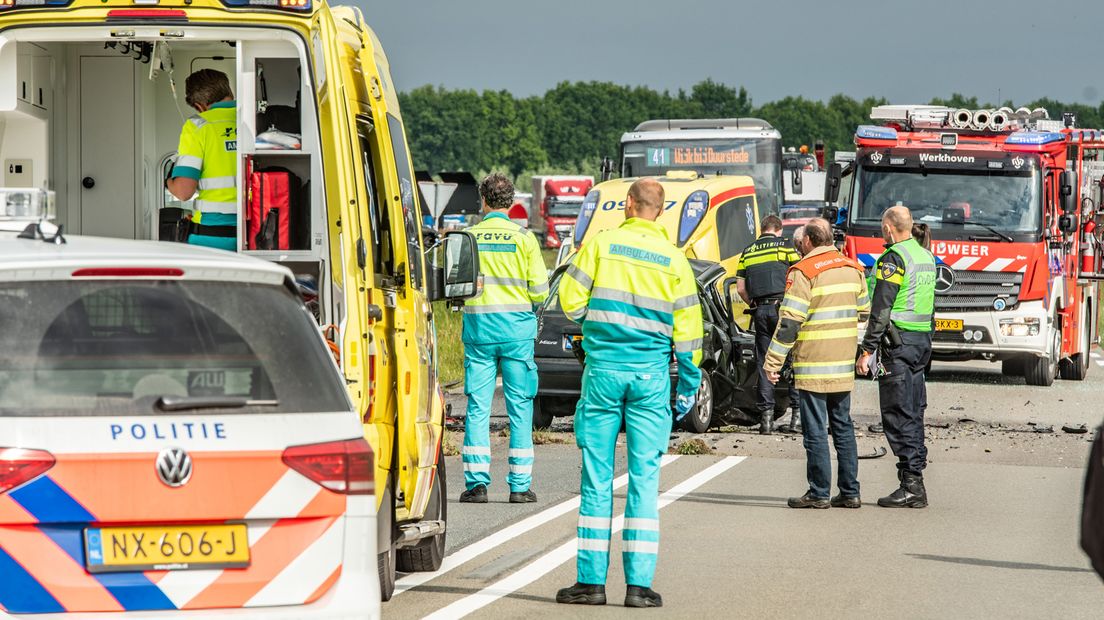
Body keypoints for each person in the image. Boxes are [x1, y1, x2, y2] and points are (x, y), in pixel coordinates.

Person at [556, 178, 702, 608]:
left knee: (598, 479)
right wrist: (688, 388)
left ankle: (590, 583)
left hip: (603, 373)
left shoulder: (601, 245)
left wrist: (596, 326)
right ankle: (638, 587)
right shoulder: (676, 261)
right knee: (644, 481)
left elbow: (569, 300)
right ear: (660, 211)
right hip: (651, 378)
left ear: (628, 205)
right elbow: (690, 336)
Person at [764, 219, 869, 509]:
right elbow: (864, 314)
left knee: (815, 430)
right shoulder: (853, 269)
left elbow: (789, 323)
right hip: (842, 364)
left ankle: (819, 492)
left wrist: (772, 362)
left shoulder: (804, 272)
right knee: (843, 427)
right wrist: (860, 351)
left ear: (809, 240)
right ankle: (850, 492)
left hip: (814, 363)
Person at [459, 173, 550, 504]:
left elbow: (457, 285)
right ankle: (520, 486)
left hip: (480, 333)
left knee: (479, 407)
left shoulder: (468, 237)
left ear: (483, 201)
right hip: (516, 335)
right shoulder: (524, 239)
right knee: (520, 407)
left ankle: (476, 485)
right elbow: (540, 290)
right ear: (511, 203)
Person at [857, 206, 936, 508]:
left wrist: (867, 350)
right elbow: (930, 306)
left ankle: (911, 484)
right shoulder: (925, 255)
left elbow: (881, 310)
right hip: (920, 343)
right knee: (914, 410)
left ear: (889, 228)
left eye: (882, 227)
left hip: (898, 345)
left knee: (897, 412)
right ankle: (914, 479)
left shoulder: (893, 259)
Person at [735, 215, 801, 434]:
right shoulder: (785, 247)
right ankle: (796, 418)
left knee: (765, 362)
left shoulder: (747, 251)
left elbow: (741, 288)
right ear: (779, 230)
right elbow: (800, 276)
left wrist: (753, 303)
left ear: (761, 229)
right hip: (784, 309)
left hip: (760, 311)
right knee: (792, 358)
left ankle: (766, 421)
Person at [166, 69, 239, 251]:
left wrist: (168, 181)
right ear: (229, 91)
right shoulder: (253, 119)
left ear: (200, 106)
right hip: (259, 230)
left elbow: (183, 192)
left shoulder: (197, 126)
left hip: (211, 234)